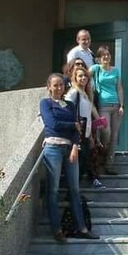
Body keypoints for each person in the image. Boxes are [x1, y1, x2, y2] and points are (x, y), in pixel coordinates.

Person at [39, 73, 99, 242]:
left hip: (70, 149)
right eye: (55, 85)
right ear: (49, 87)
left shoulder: (70, 105)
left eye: (61, 85)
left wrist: (74, 146)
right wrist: (72, 124)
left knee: (75, 189)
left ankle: (82, 228)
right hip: (53, 148)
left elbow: (76, 131)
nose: (59, 88)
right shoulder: (46, 103)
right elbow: (52, 124)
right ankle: (57, 230)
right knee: (53, 190)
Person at [66, 66, 104, 190]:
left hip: (86, 132)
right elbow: (67, 109)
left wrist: (91, 135)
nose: (83, 78)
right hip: (77, 132)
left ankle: (79, 188)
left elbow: (88, 115)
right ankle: (73, 191)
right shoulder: (74, 92)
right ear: (75, 78)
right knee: (80, 161)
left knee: (85, 160)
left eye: (85, 76)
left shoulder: (85, 94)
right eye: (80, 76)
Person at [90, 46, 124, 175]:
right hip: (103, 105)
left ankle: (109, 165)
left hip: (116, 105)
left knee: (114, 136)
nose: (106, 57)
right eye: (103, 55)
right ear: (99, 58)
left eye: (108, 54)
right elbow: (83, 75)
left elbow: (119, 87)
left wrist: (122, 105)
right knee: (106, 132)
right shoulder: (96, 68)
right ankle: (102, 153)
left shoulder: (116, 70)